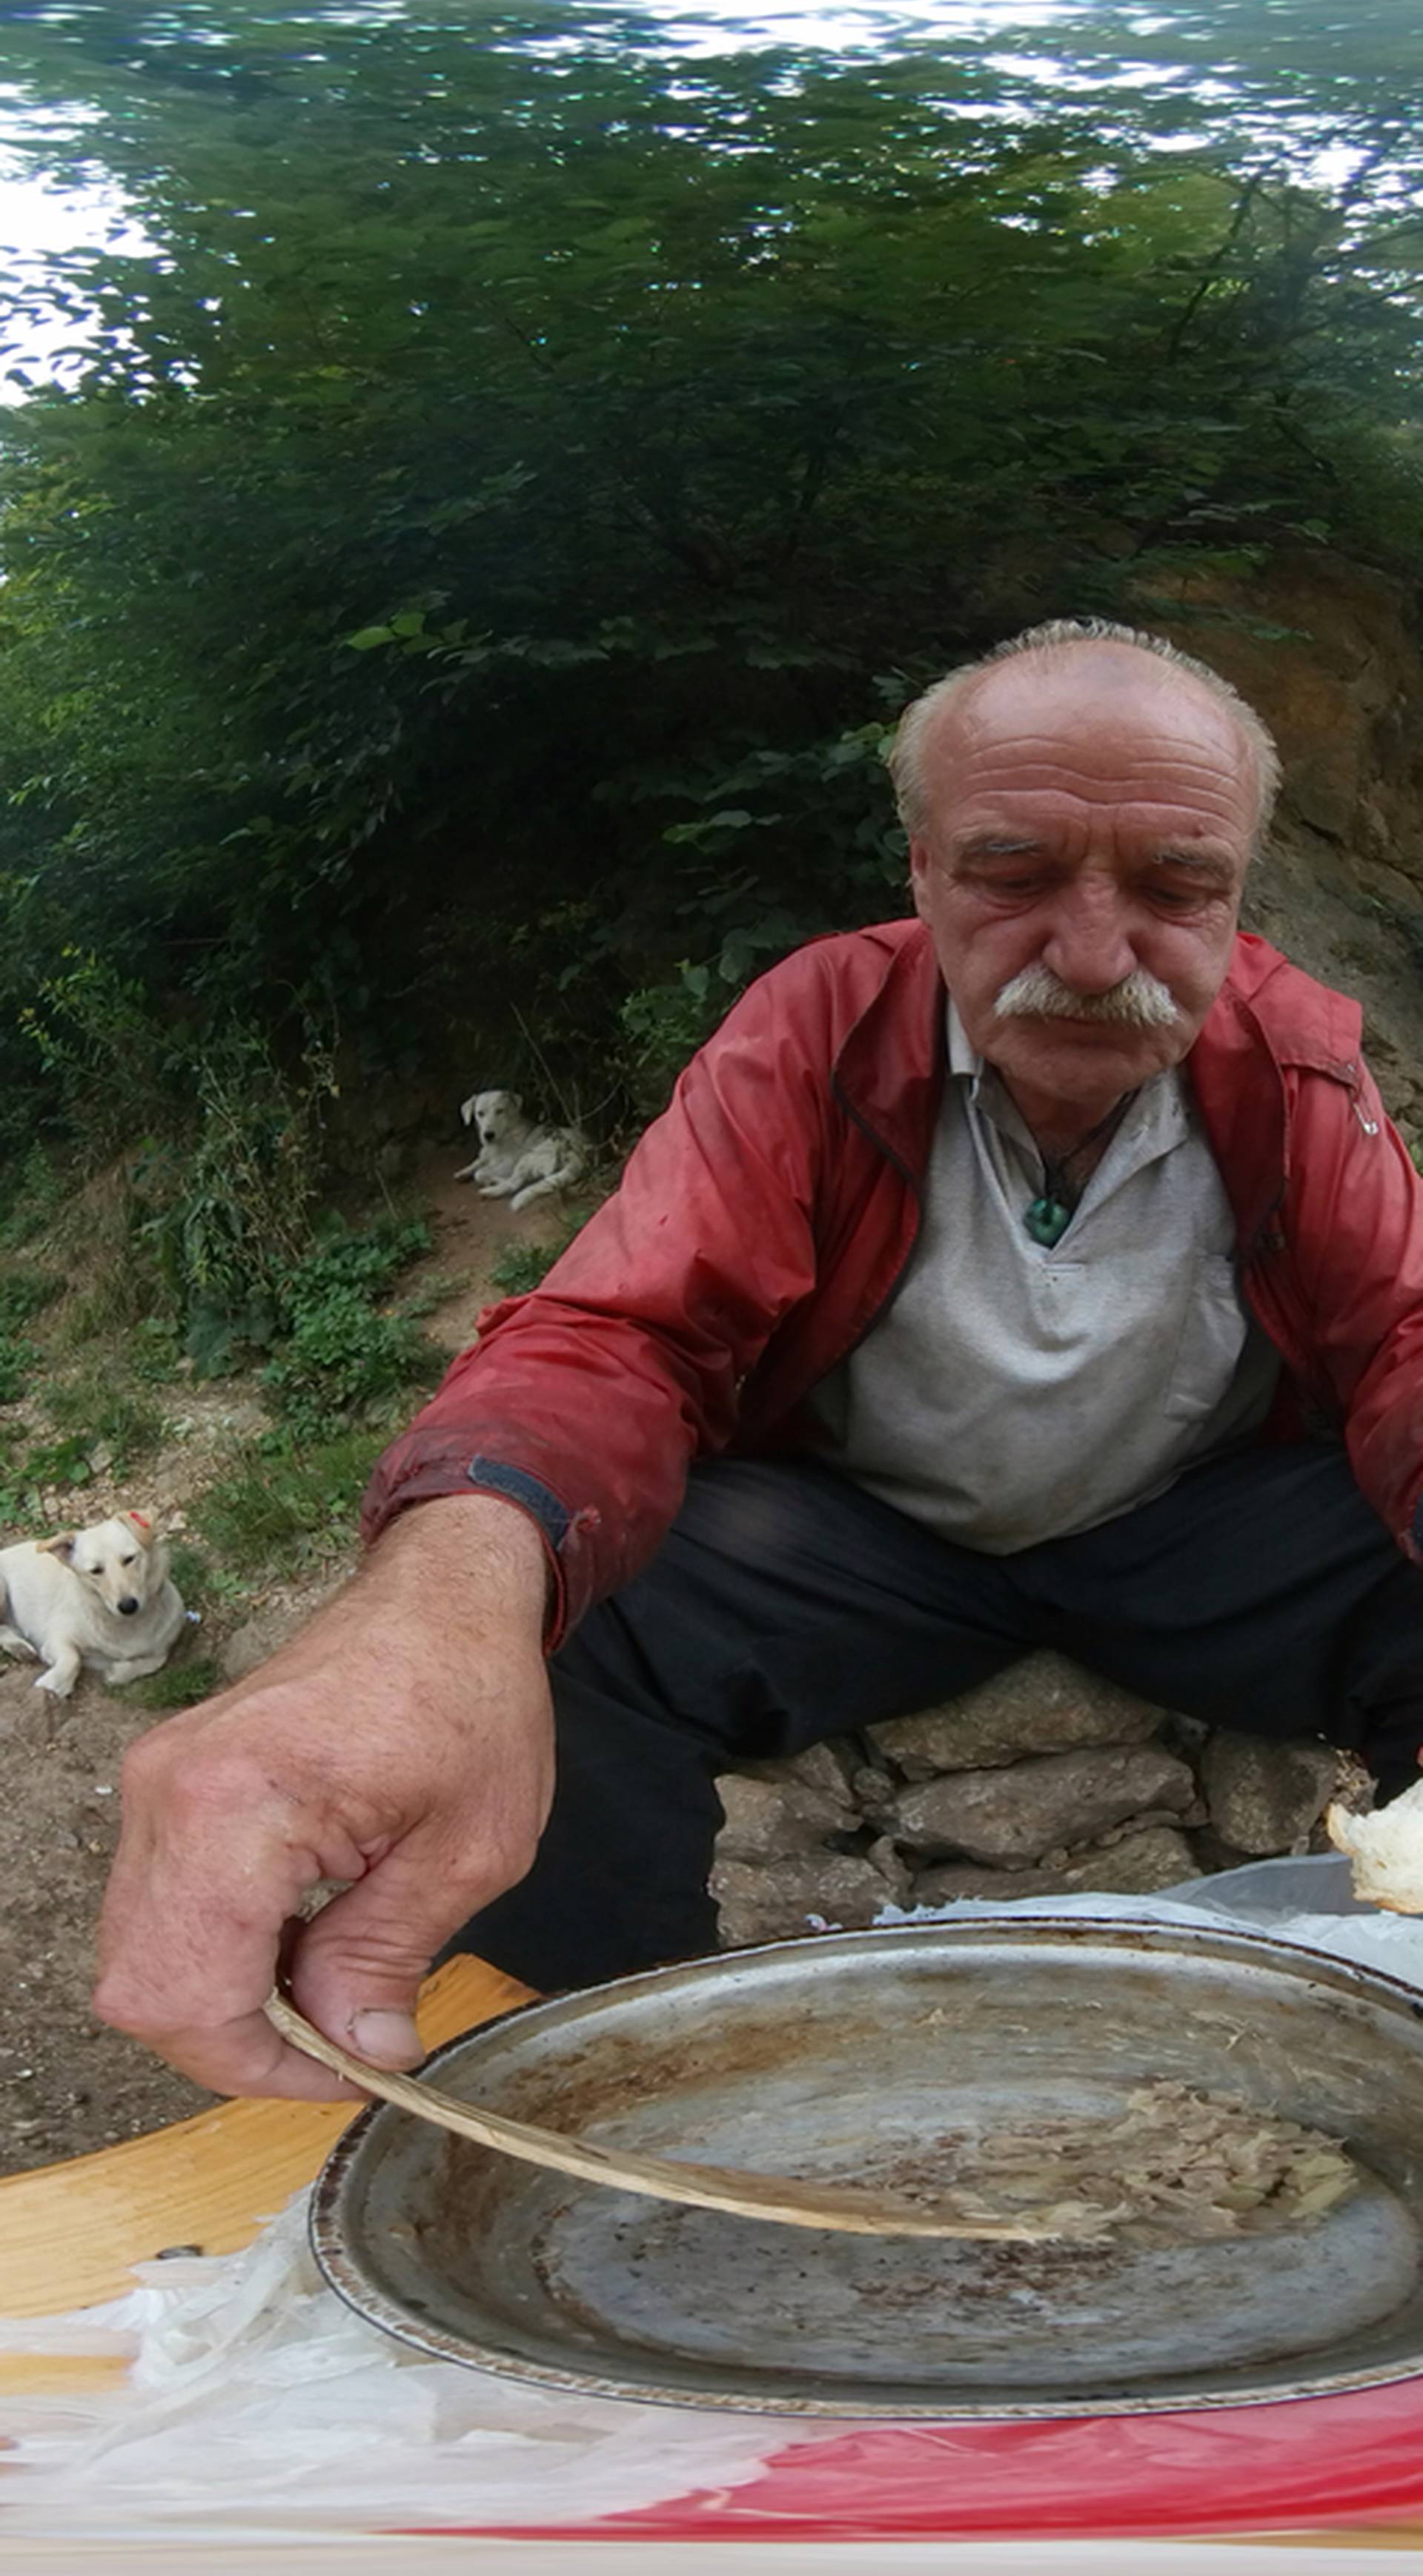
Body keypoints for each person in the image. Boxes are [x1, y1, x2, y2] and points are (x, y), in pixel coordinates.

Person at [93, 617, 1423, 2105]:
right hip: (861, 1540)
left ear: (1239, 897)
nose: (1097, 954)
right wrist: (432, 1610)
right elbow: (621, 1331)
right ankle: (594, 2087)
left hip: (1188, 1532)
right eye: (1013, 873)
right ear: (921, 874)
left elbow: (1403, 1342)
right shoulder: (813, 1031)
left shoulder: (1293, 1058)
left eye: (1180, 888)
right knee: (555, 1620)